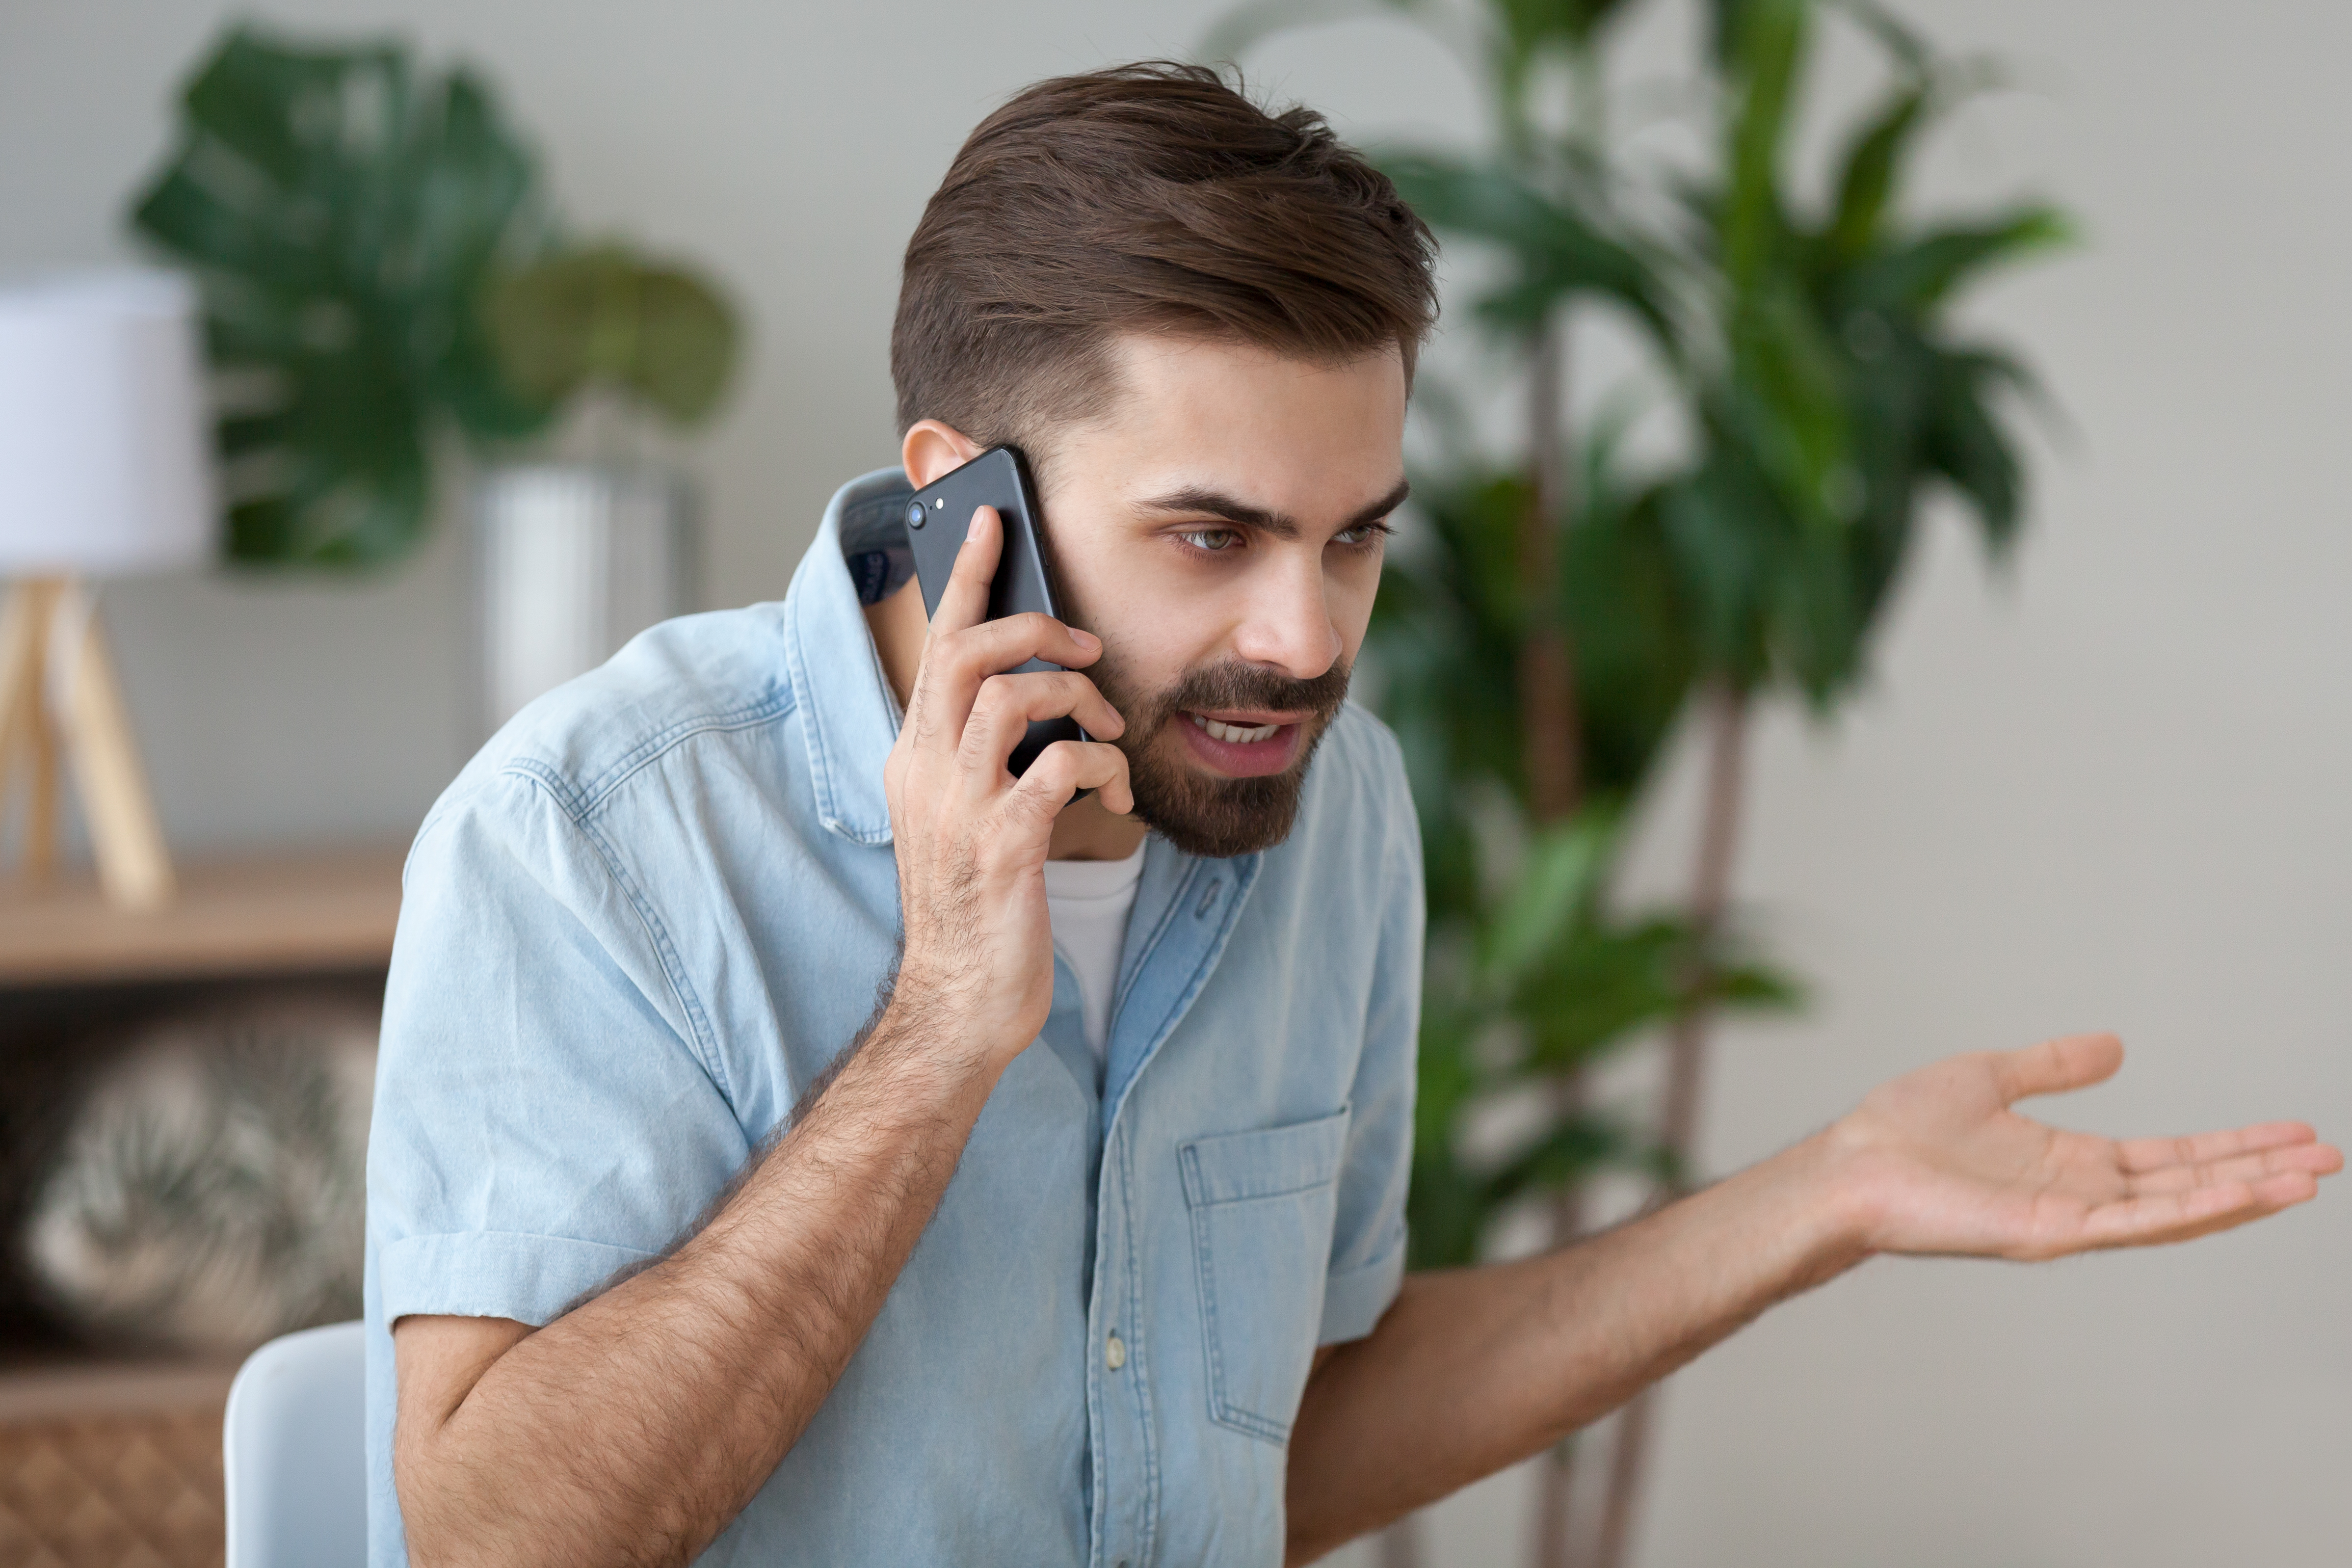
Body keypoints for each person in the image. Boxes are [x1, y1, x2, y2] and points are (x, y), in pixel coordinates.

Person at [365, 63, 2338, 1568]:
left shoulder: (1319, 802)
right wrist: (940, 1032)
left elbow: (1267, 1433)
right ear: (963, 494)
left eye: (1351, 538)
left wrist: (1818, 1200)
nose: (1302, 639)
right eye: (1208, 535)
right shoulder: (593, 838)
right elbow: (489, 1535)